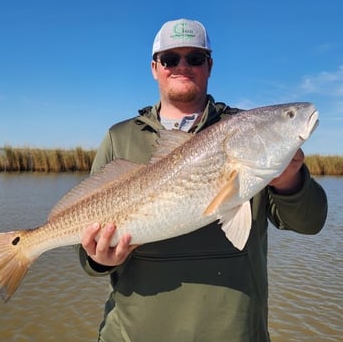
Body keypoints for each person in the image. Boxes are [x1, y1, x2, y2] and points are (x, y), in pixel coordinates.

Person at [77, 19, 328, 342]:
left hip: (235, 332)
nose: (182, 66)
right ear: (155, 68)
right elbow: (85, 254)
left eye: (194, 58)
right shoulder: (120, 137)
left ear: (209, 65)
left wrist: (290, 181)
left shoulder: (243, 129)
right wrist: (98, 260)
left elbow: (311, 223)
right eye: (170, 59)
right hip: (132, 334)